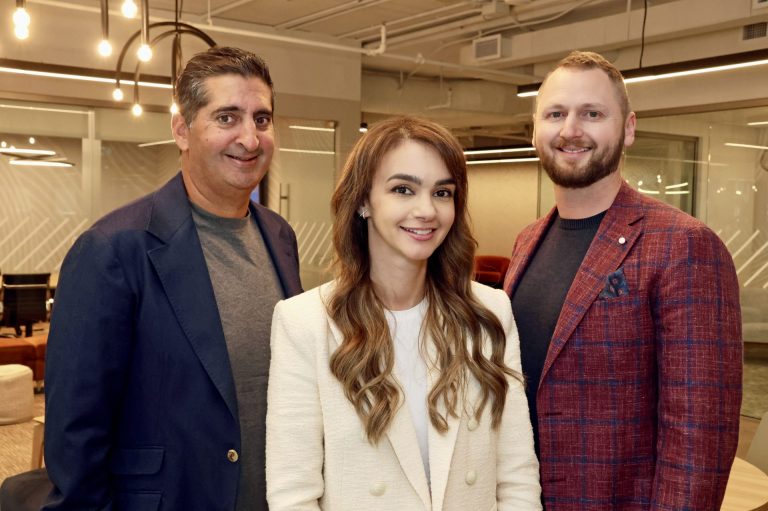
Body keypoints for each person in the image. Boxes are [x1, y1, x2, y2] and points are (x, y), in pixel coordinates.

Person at [43, 46, 302, 511]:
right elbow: (76, 437)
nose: (249, 137)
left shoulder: (280, 236)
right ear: (182, 130)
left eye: (262, 119)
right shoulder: (112, 250)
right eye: (227, 118)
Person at [505, 50, 742, 510]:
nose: (571, 129)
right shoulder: (527, 240)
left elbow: (700, 438)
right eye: (556, 114)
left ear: (628, 128)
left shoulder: (684, 245)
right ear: (535, 130)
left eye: (592, 113)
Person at [265, 116, 541, 510]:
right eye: (403, 189)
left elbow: (516, 478)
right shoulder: (306, 322)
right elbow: (294, 495)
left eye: (442, 193)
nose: (426, 210)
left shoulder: (489, 313)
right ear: (363, 201)